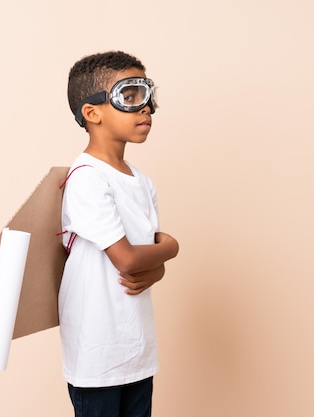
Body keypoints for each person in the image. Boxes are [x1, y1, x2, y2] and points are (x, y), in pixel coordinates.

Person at [59, 50, 180, 417]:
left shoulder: (142, 181)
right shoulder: (87, 178)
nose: (146, 108)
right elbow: (128, 259)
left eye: (148, 96)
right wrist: (173, 248)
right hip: (97, 354)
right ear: (92, 112)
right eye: (130, 96)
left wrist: (156, 268)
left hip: (137, 349)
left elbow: (144, 264)